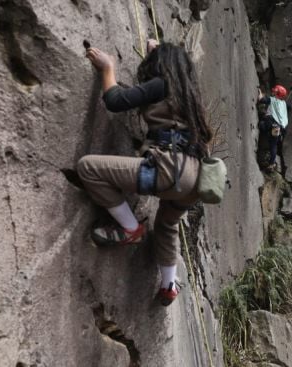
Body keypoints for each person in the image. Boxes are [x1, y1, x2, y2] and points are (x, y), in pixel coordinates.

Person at [78, 40, 212, 306]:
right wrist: (157, 49)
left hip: (170, 170)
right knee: (166, 225)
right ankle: (169, 285)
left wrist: (107, 68)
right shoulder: (190, 98)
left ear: (162, 65)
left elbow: (116, 100)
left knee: (88, 167)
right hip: (195, 181)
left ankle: (130, 229)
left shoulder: (162, 84)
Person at [258, 85, 291, 172]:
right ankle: (271, 163)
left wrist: (260, 93)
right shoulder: (284, 103)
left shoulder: (271, 100)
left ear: (277, 93)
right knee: (273, 145)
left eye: (274, 92)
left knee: (261, 123)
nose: (273, 93)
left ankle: (270, 163)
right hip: (280, 128)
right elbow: (291, 107)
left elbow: (261, 100)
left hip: (270, 123)